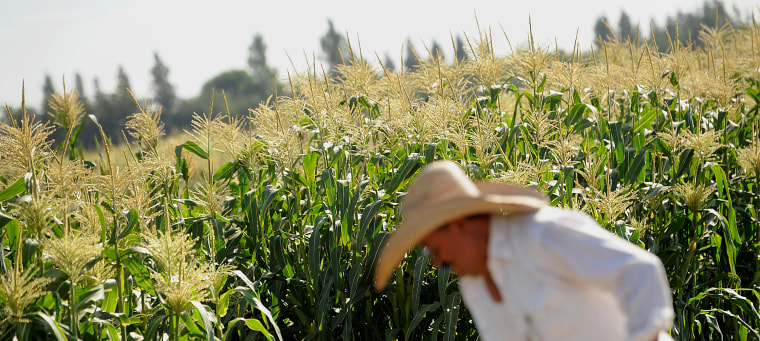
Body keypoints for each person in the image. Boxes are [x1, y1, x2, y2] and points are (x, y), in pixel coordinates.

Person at [374, 160, 674, 341]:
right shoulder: (474, 286)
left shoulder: (543, 234)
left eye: (434, 248)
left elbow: (641, 270)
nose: (437, 261)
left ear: (459, 225)